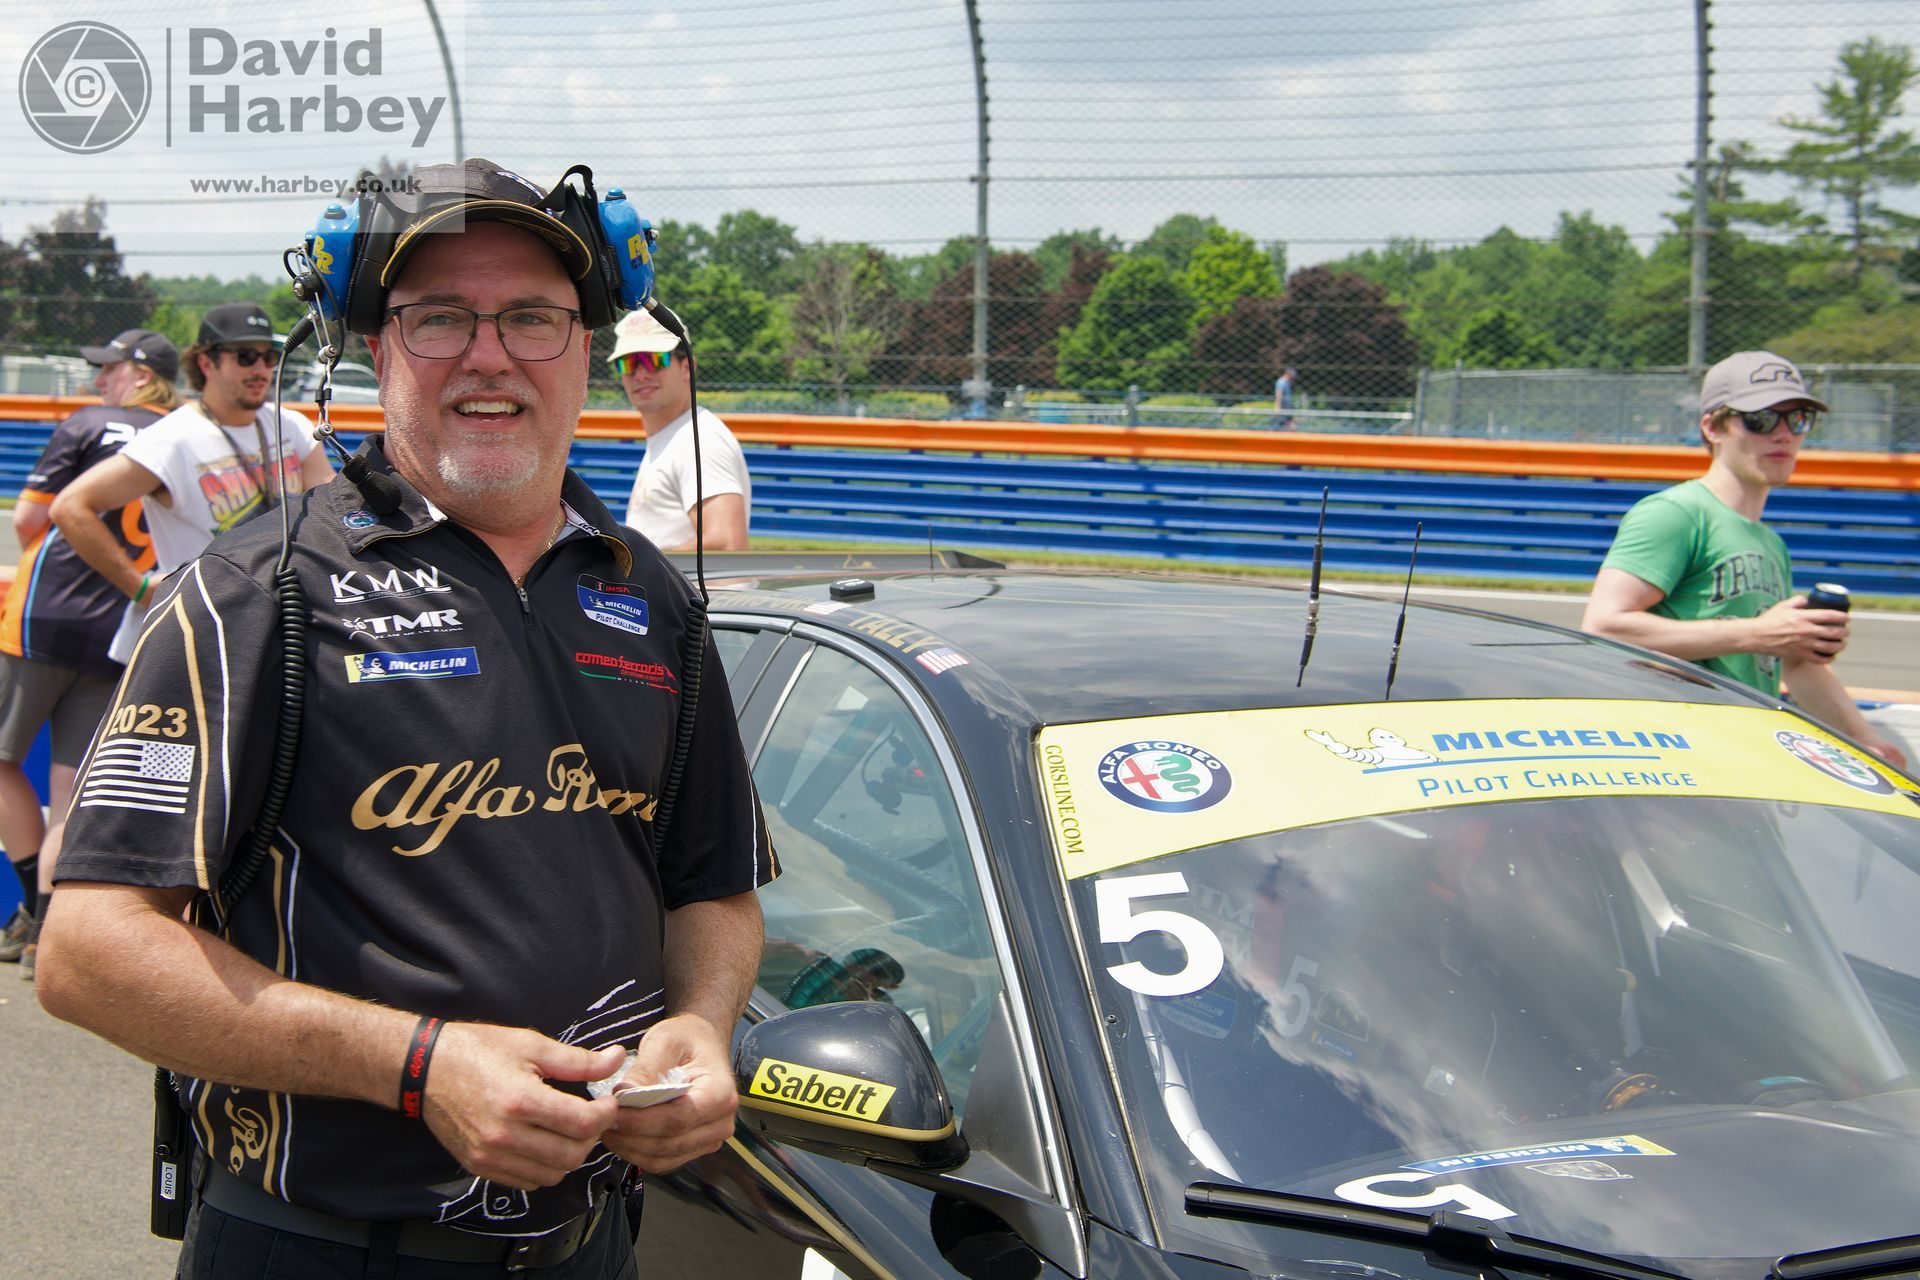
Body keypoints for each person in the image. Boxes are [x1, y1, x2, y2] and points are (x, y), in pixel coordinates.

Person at [37, 158, 776, 1279]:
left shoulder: (653, 597)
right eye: (439, 318)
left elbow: (712, 890)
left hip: (592, 1243)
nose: (490, 355)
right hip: (323, 1248)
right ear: (375, 351)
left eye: (531, 317)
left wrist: (702, 1023)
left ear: (586, 347)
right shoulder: (259, 593)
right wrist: (418, 1066)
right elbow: (89, 953)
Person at [1582, 351, 1906, 768]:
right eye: (1761, 419)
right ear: (1712, 427)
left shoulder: (1771, 543)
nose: (1783, 435)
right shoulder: (1675, 513)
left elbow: (1796, 666)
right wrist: (1756, 633)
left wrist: (1868, 742)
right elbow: (1603, 627)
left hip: (1743, 755)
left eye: (1798, 419)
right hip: (1676, 758)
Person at [0, 328, 181, 978]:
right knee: (70, 787)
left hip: (42, 619)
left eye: (110, 368)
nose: (100, 380)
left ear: (141, 374)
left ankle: (31, 908)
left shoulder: (88, 423)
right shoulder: (187, 436)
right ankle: (46, 932)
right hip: (123, 625)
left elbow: (29, 520)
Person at [50, 302, 335, 666]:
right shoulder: (172, 440)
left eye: (269, 357)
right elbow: (70, 507)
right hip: (196, 638)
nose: (261, 369)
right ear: (206, 363)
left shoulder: (290, 426)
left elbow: (328, 507)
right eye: (246, 357)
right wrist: (138, 587)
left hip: (279, 621)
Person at [611, 309, 751, 551]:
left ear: (687, 367)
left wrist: (636, 568)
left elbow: (727, 544)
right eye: (629, 363)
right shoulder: (677, 436)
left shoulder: (700, 440)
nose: (641, 374)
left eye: (654, 360)